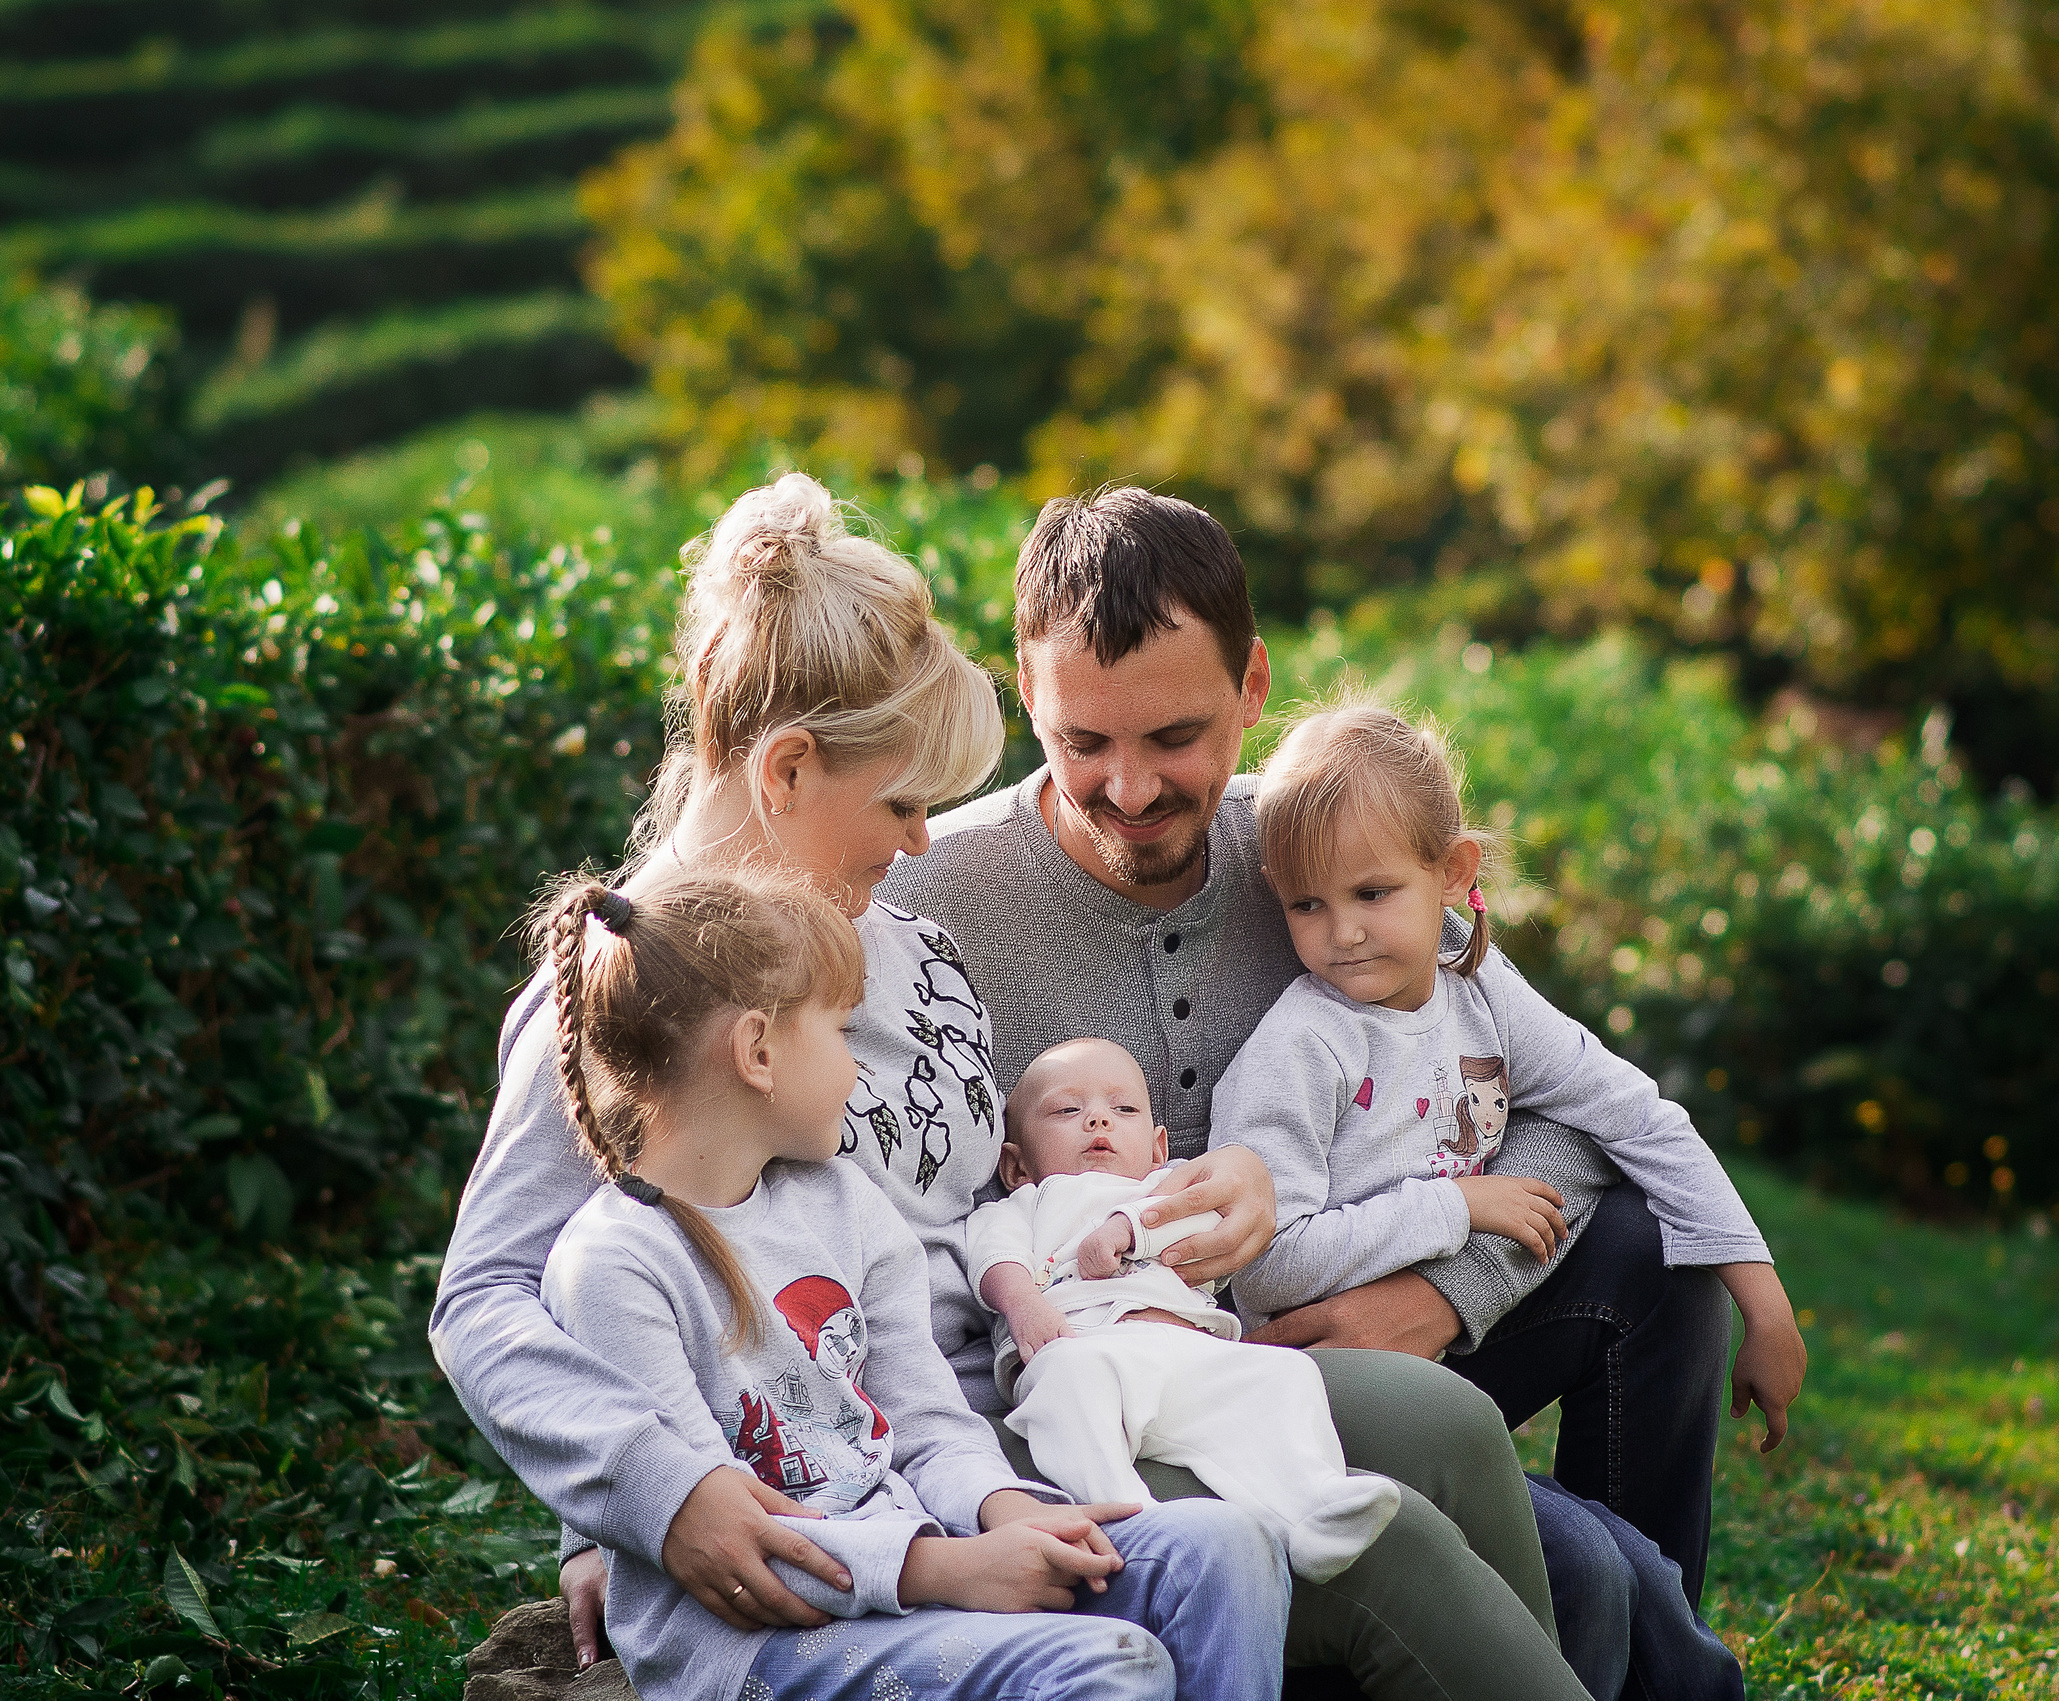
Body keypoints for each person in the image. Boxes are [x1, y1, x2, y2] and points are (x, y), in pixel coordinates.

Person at [430, 473, 1582, 1701]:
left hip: (1057, 1373)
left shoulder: (906, 940)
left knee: (1461, 1446)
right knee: (1390, 1553)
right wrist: (640, 1505)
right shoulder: (640, 986)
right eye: (902, 802)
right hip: (918, 1461)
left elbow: (1003, 1193)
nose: (924, 838)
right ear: (789, 771)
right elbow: (519, 1289)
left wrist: (1192, 1200)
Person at [875, 486, 1776, 1689]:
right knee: (1588, 1571)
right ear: (1025, 694)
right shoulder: (929, 902)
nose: (1131, 790)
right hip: (1146, 1385)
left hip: (1362, 1313)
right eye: (1083, 743)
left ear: (1252, 686)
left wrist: (1441, 1294)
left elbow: (1554, 1100)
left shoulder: (1316, 847)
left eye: (1175, 737)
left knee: (1653, 1256)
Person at [528, 869, 1286, 1701]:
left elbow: (926, 1423)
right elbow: (732, 1545)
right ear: (757, 1052)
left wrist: (1005, 1509)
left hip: (914, 1559)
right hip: (759, 1642)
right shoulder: (616, 1264)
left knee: (1225, 1549)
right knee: (1106, 1665)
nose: (856, 1069)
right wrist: (953, 1568)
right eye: (840, 1031)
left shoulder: (843, 1202)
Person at [1216, 697, 1805, 1429]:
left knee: (1650, 1249)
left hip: (1450, 1349)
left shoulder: (1480, 992)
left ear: (1453, 871)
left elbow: (1632, 1114)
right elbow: (1266, 1265)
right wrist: (1458, 1205)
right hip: (1325, 1391)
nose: (1344, 932)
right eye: (1307, 904)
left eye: (1372, 893)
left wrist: (1765, 1304)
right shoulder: (1302, 1046)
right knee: (1560, 1521)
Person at [968, 1037, 1402, 1581]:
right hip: (1083, 1345)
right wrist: (1024, 1305)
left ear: (1157, 1148)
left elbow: (1206, 1224)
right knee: (1071, 1385)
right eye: (1067, 1110)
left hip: (1188, 1352)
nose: (1098, 1120)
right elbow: (994, 1259)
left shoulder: (1165, 1187)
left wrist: (1129, 1228)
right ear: (1015, 1166)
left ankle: (1312, 1508)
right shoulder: (1026, 1203)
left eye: (1124, 1109)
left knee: (1286, 1376)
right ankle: (1130, 1515)